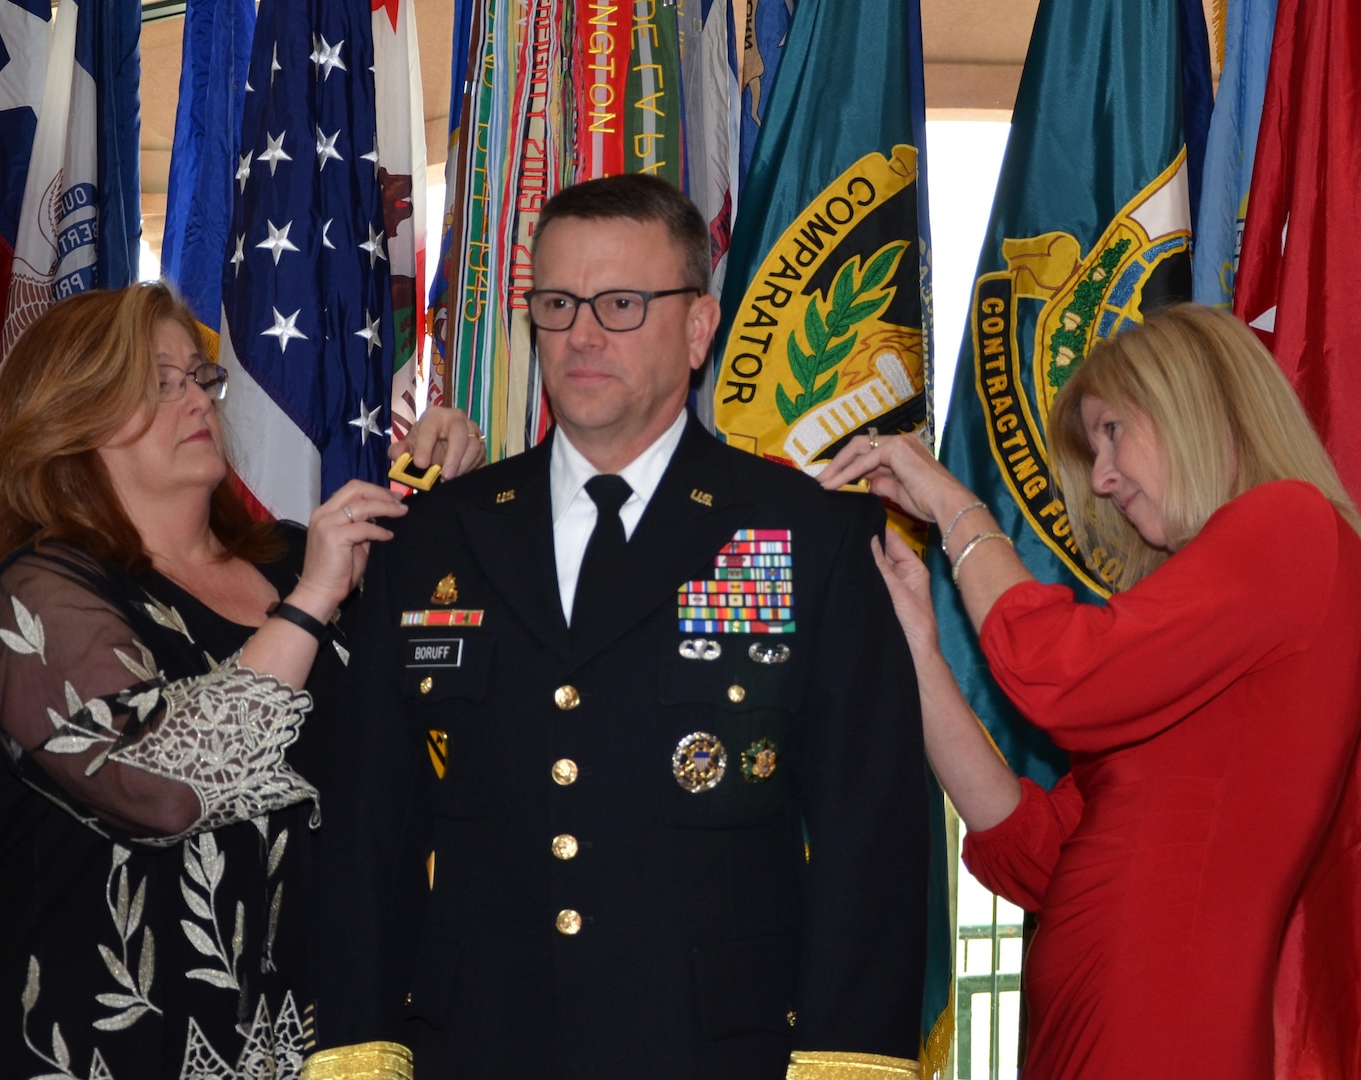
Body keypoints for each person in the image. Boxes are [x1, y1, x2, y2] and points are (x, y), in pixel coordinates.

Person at [306, 174, 929, 1079]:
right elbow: (371, 820)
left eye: (622, 304)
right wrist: (361, 1047)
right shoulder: (438, 533)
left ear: (698, 328)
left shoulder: (806, 533)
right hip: (479, 1042)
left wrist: (849, 1060)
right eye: (557, 303)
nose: (582, 335)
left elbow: (867, 827)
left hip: (715, 1049)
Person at [0, 282, 482, 1079]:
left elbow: (438, 715)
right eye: (156, 382)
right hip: (75, 1037)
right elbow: (166, 782)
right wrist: (314, 604)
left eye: (199, 376)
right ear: (67, 418)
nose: (194, 397)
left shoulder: (295, 560)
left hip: (285, 1035)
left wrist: (449, 490)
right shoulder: (40, 592)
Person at [818, 304, 1361, 1080]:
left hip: (1161, 1035)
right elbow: (1046, 856)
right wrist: (918, 648)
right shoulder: (1233, 605)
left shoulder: (1290, 523)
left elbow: (1060, 673)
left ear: (1194, 398)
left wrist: (954, 506)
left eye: (1113, 430)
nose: (1104, 477)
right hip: (1106, 1027)